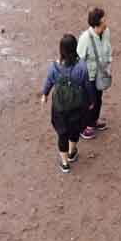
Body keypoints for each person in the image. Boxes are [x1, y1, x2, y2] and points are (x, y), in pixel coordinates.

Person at [38, 33, 91, 173]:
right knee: (74, 130)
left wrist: (45, 94)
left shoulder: (55, 67)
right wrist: (91, 101)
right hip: (77, 106)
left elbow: (49, 81)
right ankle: (73, 151)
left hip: (59, 107)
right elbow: (87, 85)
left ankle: (65, 163)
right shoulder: (82, 67)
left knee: (62, 134)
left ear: (61, 49)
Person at [78, 8, 112, 138]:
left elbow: (108, 49)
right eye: (104, 19)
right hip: (89, 77)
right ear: (97, 23)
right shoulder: (85, 38)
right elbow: (80, 59)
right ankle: (84, 127)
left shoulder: (106, 32)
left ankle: (94, 121)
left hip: (101, 74)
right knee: (89, 102)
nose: (106, 21)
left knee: (98, 99)